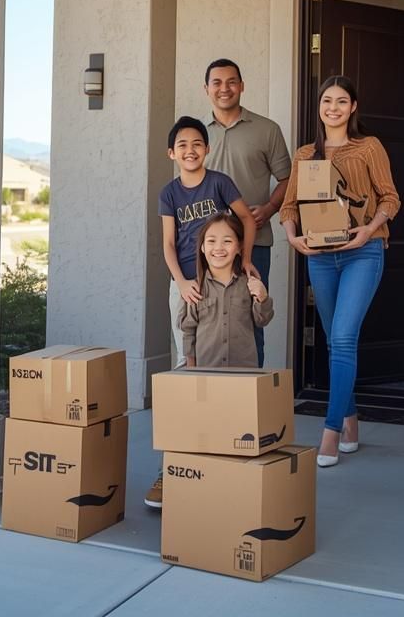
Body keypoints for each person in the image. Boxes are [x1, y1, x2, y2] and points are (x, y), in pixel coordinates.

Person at [279, 76, 400, 469]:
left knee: (344, 338)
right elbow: (289, 205)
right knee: (334, 342)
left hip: (362, 253)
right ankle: (351, 420)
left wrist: (369, 229)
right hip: (319, 256)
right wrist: (292, 237)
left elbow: (390, 196)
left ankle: (329, 432)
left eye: (341, 101)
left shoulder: (368, 147)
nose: (333, 107)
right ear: (319, 106)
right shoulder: (304, 154)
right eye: (327, 100)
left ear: (353, 107)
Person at [146, 116, 258, 509]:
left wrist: (245, 260)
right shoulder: (169, 193)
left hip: (222, 281)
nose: (190, 150)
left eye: (197, 143)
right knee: (186, 369)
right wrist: (180, 282)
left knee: (231, 369)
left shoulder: (220, 183)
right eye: (182, 145)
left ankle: (227, 460)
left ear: (207, 149)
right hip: (188, 284)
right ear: (171, 153)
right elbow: (167, 244)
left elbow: (245, 218)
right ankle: (175, 468)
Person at [203, 59, 291, 366]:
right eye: (217, 82)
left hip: (254, 243)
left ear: (241, 86)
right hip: (208, 248)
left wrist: (268, 208)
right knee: (207, 322)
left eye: (231, 82)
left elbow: (287, 179)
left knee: (252, 319)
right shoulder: (198, 136)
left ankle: (252, 401)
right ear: (206, 89)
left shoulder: (267, 130)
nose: (224, 89)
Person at [179, 212, 275, 369]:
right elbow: (188, 331)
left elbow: (262, 320)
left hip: (244, 374)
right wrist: (191, 370)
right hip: (207, 374)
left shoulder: (249, 284)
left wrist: (263, 297)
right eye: (211, 241)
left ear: (239, 247)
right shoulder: (195, 289)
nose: (218, 248)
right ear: (202, 247)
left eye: (227, 241)